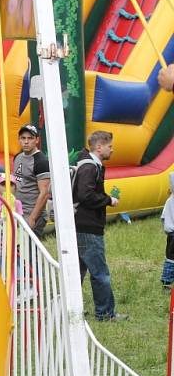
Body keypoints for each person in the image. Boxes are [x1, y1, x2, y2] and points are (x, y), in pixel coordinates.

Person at [72, 130, 127, 322]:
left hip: (79, 224)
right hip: (88, 226)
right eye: (109, 146)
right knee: (100, 273)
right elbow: (85, 195)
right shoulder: (90, 167)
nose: (112, 149)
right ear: (98, 147)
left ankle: (71, 308)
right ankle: (105, 313)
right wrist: (108, 200)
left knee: (77, 271)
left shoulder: (87, 163)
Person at [12, 124, 51, 238]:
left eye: (30, 138)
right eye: (23, 138)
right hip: (18, 211)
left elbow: (44, 193)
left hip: (32, 214)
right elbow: (16, 181)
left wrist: (33, 218)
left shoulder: (41, 161)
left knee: (29, 252)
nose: (26, 141)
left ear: (37, 140)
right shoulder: (18, 157)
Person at [161, 173, 174, 288]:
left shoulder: (169, 201)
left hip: (171, 234)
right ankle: (167, 282)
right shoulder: (171, 201)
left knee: (170, 257)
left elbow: (163, 217)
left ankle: (167, 281)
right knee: (171, 258)